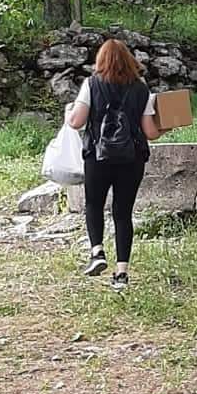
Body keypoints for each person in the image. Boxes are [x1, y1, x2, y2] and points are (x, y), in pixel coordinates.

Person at [66, 38, 163, 291]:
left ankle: (97, 251)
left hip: (98, 156)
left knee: (93, 203)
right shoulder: (142, 89)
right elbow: (150, 132)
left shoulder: (91, 84)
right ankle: (121, 273)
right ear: (129, 60)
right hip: (131, 158)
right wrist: (166, 126)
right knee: (123, 213)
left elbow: (76, 121)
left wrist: (68, 114)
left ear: (101, 60)